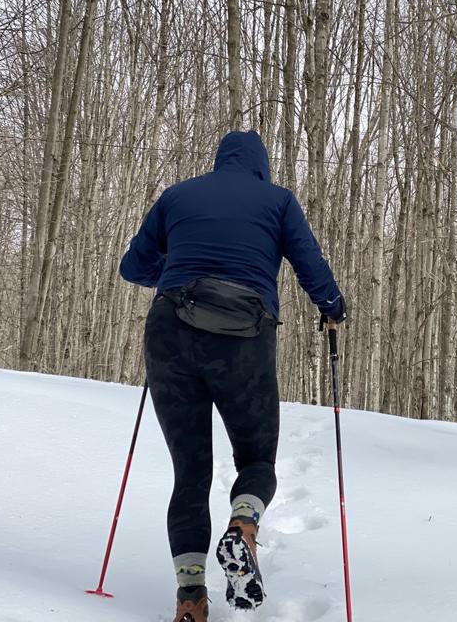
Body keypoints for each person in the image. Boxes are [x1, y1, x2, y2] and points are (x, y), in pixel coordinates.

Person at [119, 130, 345, 622]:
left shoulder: (178, 194)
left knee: (191, 471)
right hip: (244, 336)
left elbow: (132, 266)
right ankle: (243, 525)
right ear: (261, 167)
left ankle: (190, 599)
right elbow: (310, 264)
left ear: (219, 162)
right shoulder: (279, 201)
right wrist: (331, 306)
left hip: (171, 332)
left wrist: (177, 272)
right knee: (257, 456)